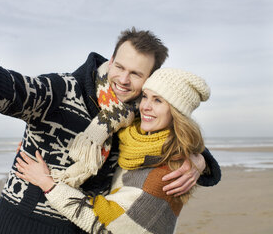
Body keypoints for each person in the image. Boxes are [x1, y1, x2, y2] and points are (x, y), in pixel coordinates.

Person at [0, 27, 220, 233]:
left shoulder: (136, 117)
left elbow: (171, 135)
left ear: (150, 80)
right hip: (26, 224)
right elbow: (18, 90)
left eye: (136, 74)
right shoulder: (64, 90)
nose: (123, 79)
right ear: (110, 60)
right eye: (119, 66)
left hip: (86, 225)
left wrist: (200, 159)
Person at [15, 68, 213, 234]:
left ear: (177, 113)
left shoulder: (166, 175)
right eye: (145, 96)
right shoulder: (134, 137)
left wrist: (47, 183)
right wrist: (42, 144)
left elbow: (101, 221)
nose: (145, 107)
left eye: (158, 101)